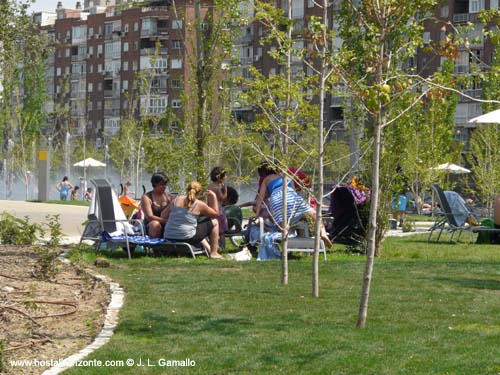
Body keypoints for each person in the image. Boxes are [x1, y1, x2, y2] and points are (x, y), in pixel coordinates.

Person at [254, 162, 332, 248]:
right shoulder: (285, 175)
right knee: (314, 214)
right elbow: (294, 191)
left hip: (277, 200)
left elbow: (260, 198)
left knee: (283, 222)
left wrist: (257, 214)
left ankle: (286, 245)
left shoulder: (266, 180)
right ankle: (323, 233)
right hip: (292, 197)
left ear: (263, 173)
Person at [163, 180, 223, 259]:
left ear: (187, 189)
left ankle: (208, 248)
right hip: (187, 237)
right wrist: (213, 196)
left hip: (168, 236)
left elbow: (163, 214)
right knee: (215, 222)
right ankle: (214, 253)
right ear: (199, 192)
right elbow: (215, 214)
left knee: (195, 227)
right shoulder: (199, 204)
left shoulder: (176, 200)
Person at [140, 172, 174, 238]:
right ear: (155, 184)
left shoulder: (169, 197)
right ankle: (155, 246)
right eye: (162, 184)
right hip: (150, 225)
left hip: (167, 224)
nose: (164, 187)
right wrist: (166, 221)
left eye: (165, 184)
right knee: (155, 224)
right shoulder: (146, 197)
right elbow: (150, 216)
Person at [208, 166, 228, 247]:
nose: (226, 177)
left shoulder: (210, 186)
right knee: (221, 231)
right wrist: (225, 190)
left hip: (210, 209)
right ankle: (222, 246)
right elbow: (222, 198)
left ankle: (213, 245)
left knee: (212, 229)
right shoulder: (216, 187)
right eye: (225, 176)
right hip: (218, 210)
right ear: (219, 177)